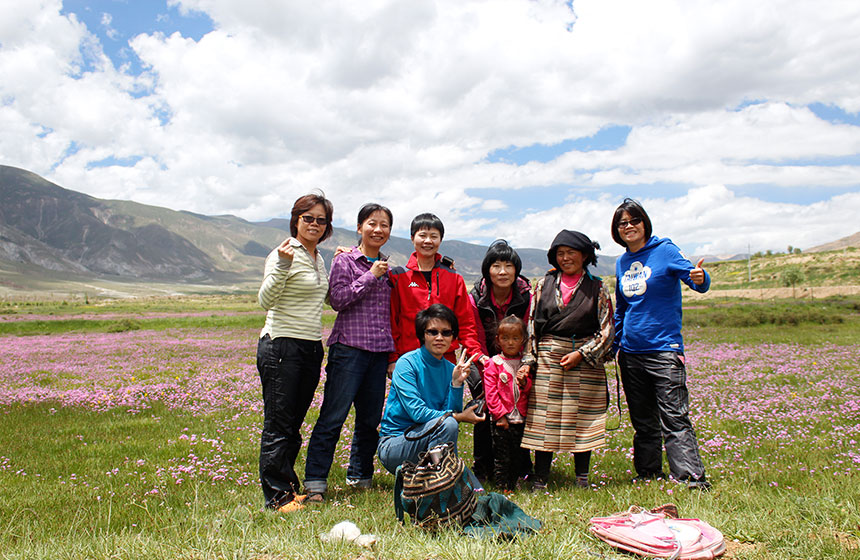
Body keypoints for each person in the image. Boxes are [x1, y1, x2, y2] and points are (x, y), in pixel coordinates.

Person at [611, 198, 711, 490]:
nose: (628, 227)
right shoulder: (621, 262)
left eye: (634, 221)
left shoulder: (665, 250)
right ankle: (648, 473)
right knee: (643, 421)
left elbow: (696, 281)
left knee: (674, 417)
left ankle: (691, 478)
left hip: (664, 350)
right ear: (616, 231)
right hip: (630, 353)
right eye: (622, 223)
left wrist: (701, 278)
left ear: (645, 223)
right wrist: (616, 343)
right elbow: (621, 308)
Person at [303, 203, 394, 502]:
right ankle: (315, 482)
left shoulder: (390, 268)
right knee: (333, 416)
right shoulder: (345, 261)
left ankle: (360, 476)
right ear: (359, 228)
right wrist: (370, 276)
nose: (378, 229)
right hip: (349, 351)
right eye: (372, 223)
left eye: (384, 225)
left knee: (369, 420)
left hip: (378, 353)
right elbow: (338, 300)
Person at [256, 192, 333, 512]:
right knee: (279, 423)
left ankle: (287, 488)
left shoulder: (319, 258)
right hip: (281, 345)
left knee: (294, 421)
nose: (314, 224)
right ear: (296, 219)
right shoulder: (283, 253)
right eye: (308, 218)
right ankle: (276, 497)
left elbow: (326, 297)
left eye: (321, 220)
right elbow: (265, 300)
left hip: (310, 346)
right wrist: (283, 266)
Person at [520, 230, 614, 490]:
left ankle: (582, 477)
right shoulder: (543, 284)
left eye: (571, 252)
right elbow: (531, 324)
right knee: (544, 419)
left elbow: (607, 329)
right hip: (549, 358)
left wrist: (582, 354)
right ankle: (541, 476)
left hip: (585, 360)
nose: (565, 258)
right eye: (560, 253)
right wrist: (530, 359)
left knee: (582, 419)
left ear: (584, 255)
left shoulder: (598, 287)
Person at [377, 304, 486, 474]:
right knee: (448, 423)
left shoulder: (451, 370)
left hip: (430, 437)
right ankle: (442, 479)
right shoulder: (406, 364)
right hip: (396, 444)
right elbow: (417, 413)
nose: (439, 337)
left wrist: (456, 384)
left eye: (446, 333)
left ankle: (440, 478)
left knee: (449, 424)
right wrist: (458, 417)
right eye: (433, 332)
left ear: (453, 337)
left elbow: (449, 414)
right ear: (422, 335)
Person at [468, 239, 533, 480]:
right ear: (487, 270)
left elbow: (530, 332)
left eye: (508, 266)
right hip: (483, 359)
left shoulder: (526, 296)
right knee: (484, 403)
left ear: (517, 270)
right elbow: (470, 333)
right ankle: (483, 467)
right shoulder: (476, 296)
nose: (502, 272)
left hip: (518, 357)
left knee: (519, 405)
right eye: (496, 266)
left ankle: (521, 465)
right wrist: (486, 361)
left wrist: (524, 363)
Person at [389, 213, 485, 366]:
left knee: (448, 391)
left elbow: (466, 324)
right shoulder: (398, 277)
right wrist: (392, 358)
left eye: (434, 236)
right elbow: (392, 321)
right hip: (407, 359)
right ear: (412, 238)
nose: (428, 241)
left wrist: (476, 354)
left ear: (440, 240)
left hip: (445, 360)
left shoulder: (454, 278)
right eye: (422, 235)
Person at [483, 316, 532, 491]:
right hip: (502, 420)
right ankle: (502, 484)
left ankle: (514, 482)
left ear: (523, 340)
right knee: (502, 455)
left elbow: (528, 390)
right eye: (505, 338)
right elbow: (491, 393)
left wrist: (525, 383)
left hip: (520, 418)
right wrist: (499, 415)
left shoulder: (525, 364)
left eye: (515, 338)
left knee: (519, 454)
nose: (510, 343)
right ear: (498, 340)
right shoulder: (493, 363)